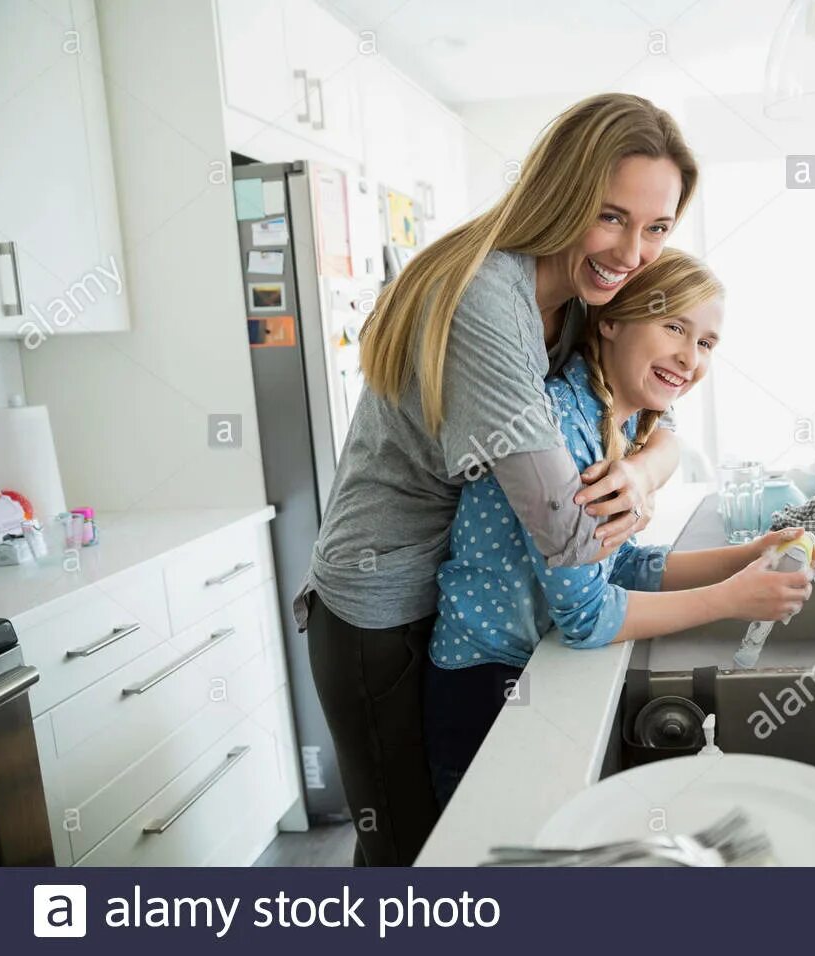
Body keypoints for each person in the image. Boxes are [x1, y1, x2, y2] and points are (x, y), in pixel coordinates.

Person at [297, 94, 698, 865]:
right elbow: (567, 530)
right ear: (560, 192)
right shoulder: (490, 298)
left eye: (657, 228)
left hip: (460, 597)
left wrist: (644, 472)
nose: (632, 253)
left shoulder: (581, 300)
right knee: (410, 857)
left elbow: (657, 414)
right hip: (378, 616)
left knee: (458, 844)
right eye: (611, 216)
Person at [424, 249, 815, 807]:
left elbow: (624, 565)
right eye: (674, 327)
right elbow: (587, 617)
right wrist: (734, 599)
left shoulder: (619, 415)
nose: (690, 357)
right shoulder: (563, 423)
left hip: (535, 666)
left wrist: (746, 556)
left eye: (706, 343)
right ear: (609, 320)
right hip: (485, 688)